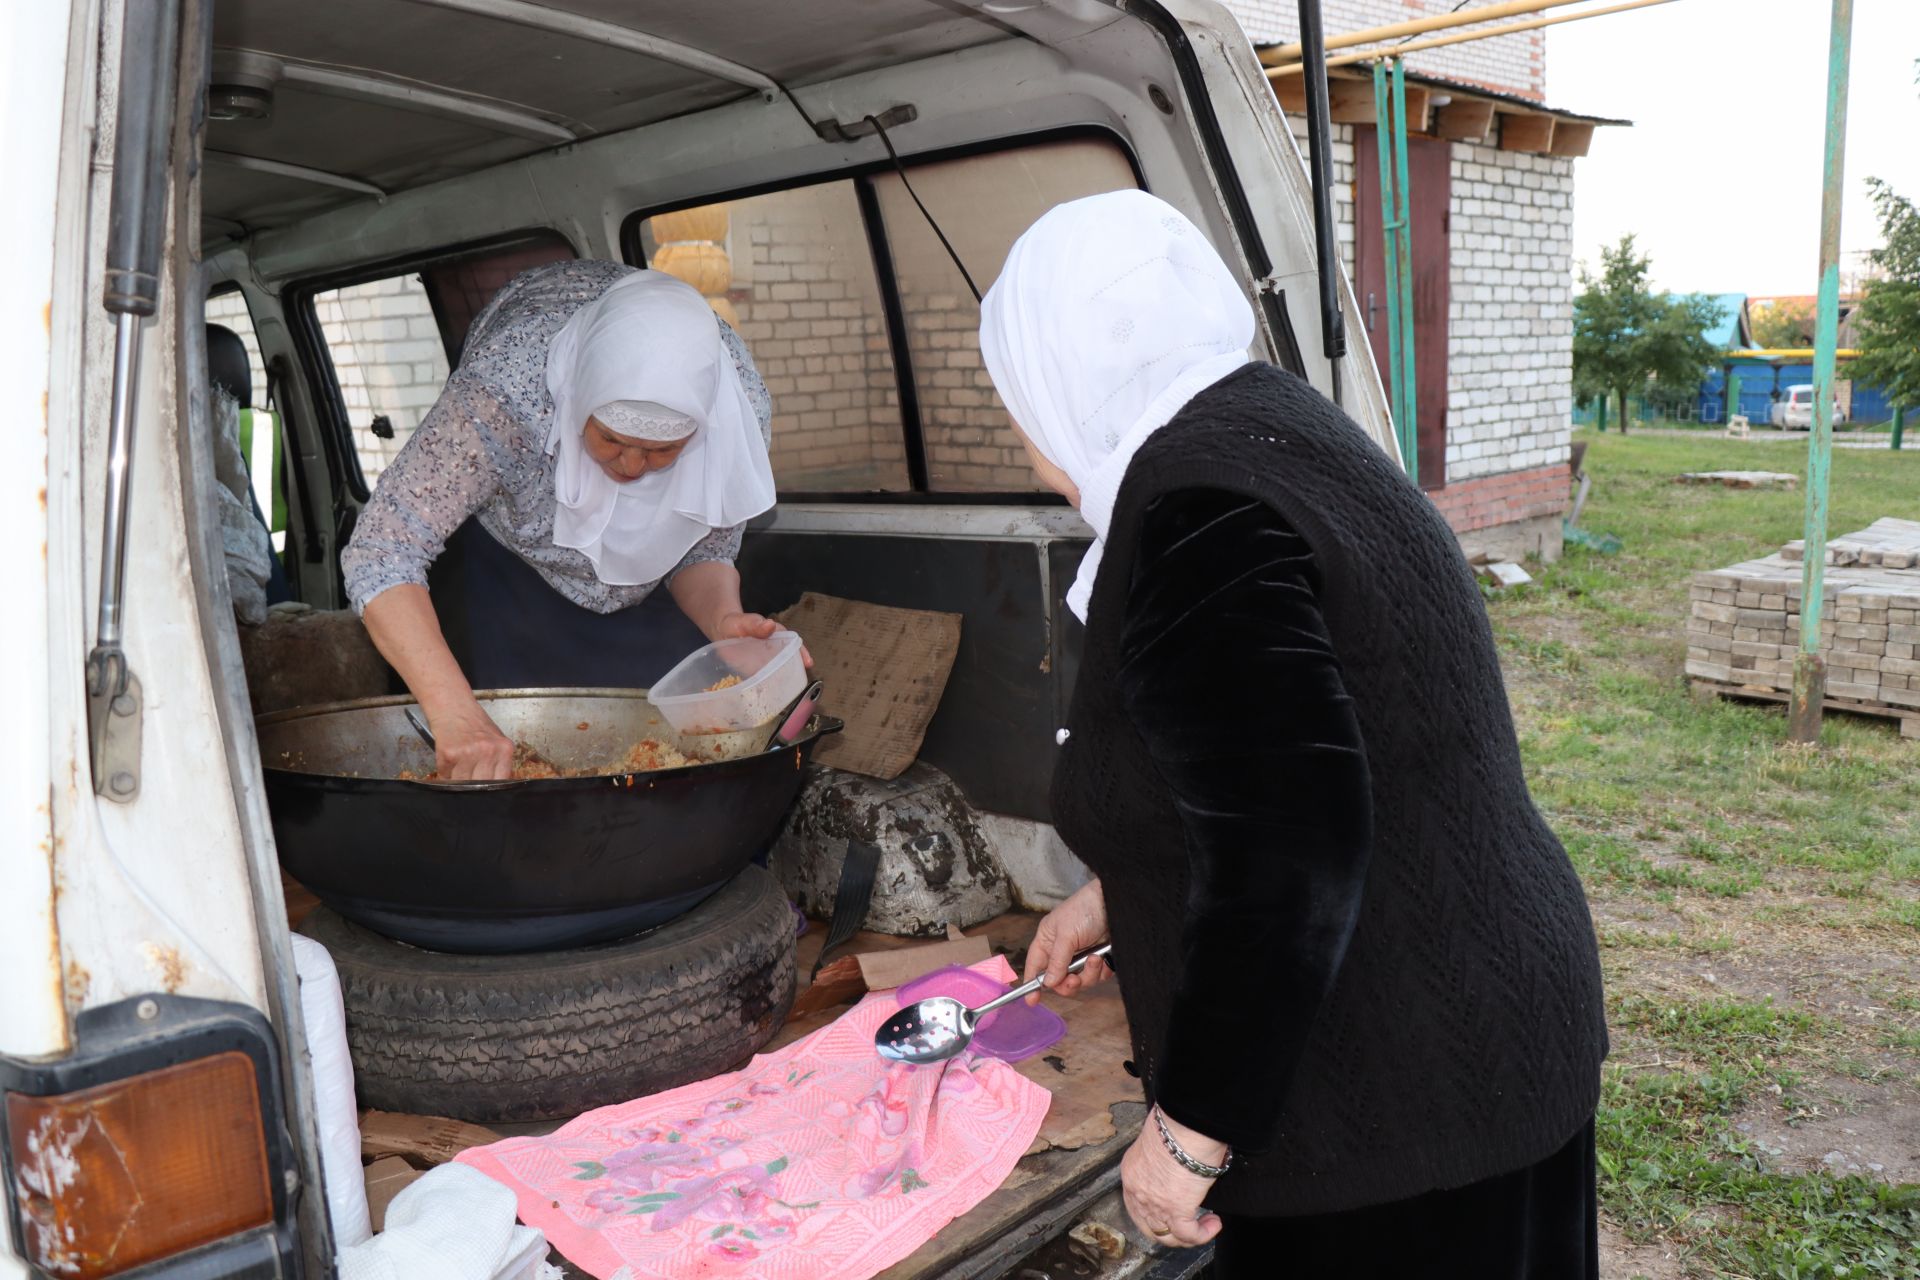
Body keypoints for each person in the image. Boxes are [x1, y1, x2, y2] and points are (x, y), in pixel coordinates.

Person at [985, 191, 1608, 1278]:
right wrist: (1119, 891)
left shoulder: (1198, 507)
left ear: (1060, 369)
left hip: (1397, 1103)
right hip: (1485, 1026)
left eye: (1011, 396)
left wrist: (1187, 1132)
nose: (1017, 432)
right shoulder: (1283, 430)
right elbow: (1307, 747)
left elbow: (1291, 847)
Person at [341, 262, 787, 780]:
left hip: (647, 595)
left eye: (664, 450)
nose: (633, 466)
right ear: (577, 404)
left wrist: (723, 624)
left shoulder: (737, 410)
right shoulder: (507, 394)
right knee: (507, 775)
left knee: (670, 767)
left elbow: (703, 548)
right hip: (509, 570)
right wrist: (456, 714)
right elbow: (382, 550)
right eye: (612, 440)